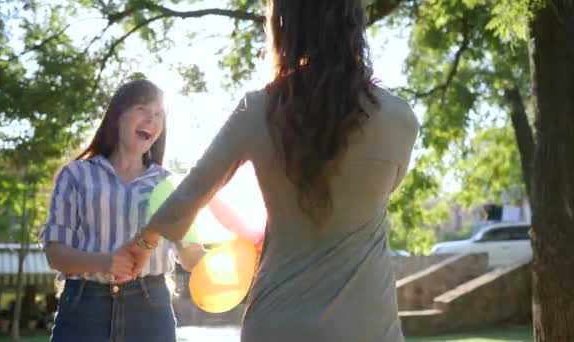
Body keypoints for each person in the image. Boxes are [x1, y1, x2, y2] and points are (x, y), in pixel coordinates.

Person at [125, 1, 419, 341]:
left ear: (283, 27)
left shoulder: (257, 110)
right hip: (368, 326)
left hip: (277, 324)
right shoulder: (400, 119)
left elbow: (188, 199)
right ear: (354, 24)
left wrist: (142, 243)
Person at [42, 79, 204, 342]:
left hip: (150, 309)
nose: (151, 119)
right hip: (83, 307)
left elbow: (189, 254)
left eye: (159, 115)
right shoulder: (75, 175)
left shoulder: (169, 185)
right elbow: (55, 254)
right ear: (117, 116)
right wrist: (105, 261)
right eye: (142, 109)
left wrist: (219, 259)